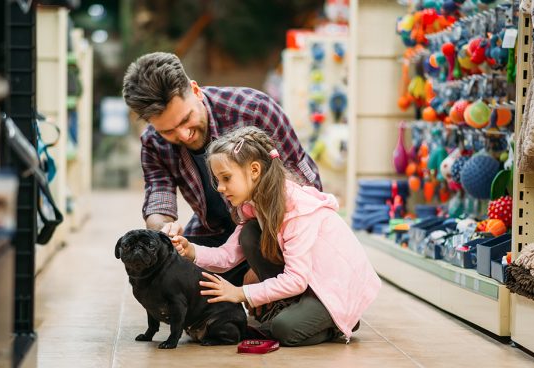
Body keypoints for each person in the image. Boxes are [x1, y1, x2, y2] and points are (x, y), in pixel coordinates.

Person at [122, 52, 322, 286]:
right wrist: (164, 231)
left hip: (275, 230)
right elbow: (159, 198)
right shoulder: (153, 142)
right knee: (171, 269)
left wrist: (262, 266)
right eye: (168, 131)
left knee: (254, 242)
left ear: (196, 91)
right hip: (217, 233)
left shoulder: (254, 109)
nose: (183, 135)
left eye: (186, 119)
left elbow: (305, 189)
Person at [171, 126, 381, 346]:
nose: (221, 188)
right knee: (250, 234)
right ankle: (295, 309)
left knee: (283, 329)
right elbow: (227, 256)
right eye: (217, 180)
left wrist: (241, 293)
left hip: (334, 287)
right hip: (309, 280)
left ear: (254, 170)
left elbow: (296, 280)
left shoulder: (296, 210)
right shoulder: (254, 205)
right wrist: (191, 250)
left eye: (226, 178)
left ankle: (338, 322)